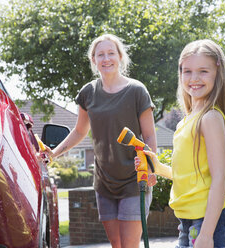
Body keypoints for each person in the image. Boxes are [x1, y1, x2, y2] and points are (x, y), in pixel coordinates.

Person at [45, 34, 157, 248]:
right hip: (104, 181)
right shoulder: (88, 93)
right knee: (116, 244)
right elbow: (79, 131)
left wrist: (151, 167)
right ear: (93, 60)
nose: (106, 59)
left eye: (111, 53)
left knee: (129, 244)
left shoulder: (137, 91)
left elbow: (150, 135)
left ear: (120, 57)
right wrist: (53, 154)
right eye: (100, 55)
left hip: (135, 178)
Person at [135, 39, 225, 248]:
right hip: (188, 221)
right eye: (187, 71)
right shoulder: (186, 121)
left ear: (218, 73)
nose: (194, 78)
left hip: (208, 221)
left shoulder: (210, 118)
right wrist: (157, 167)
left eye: (203, 71)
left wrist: (207, 235)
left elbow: (220, 177)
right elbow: (191, 175)